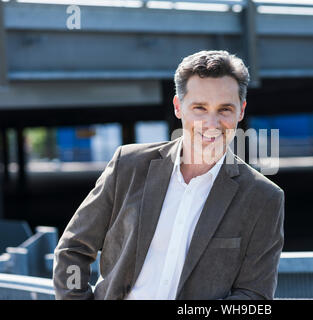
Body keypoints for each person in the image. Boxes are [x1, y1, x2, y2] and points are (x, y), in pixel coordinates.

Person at [52, 50, 285, 300]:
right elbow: (73, 249)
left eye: (225, 109)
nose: (212, 122)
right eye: (199, 108)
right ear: (178, 107)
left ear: (241, 111)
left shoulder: (263, 198)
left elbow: (254, 296)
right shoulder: (127, 166)